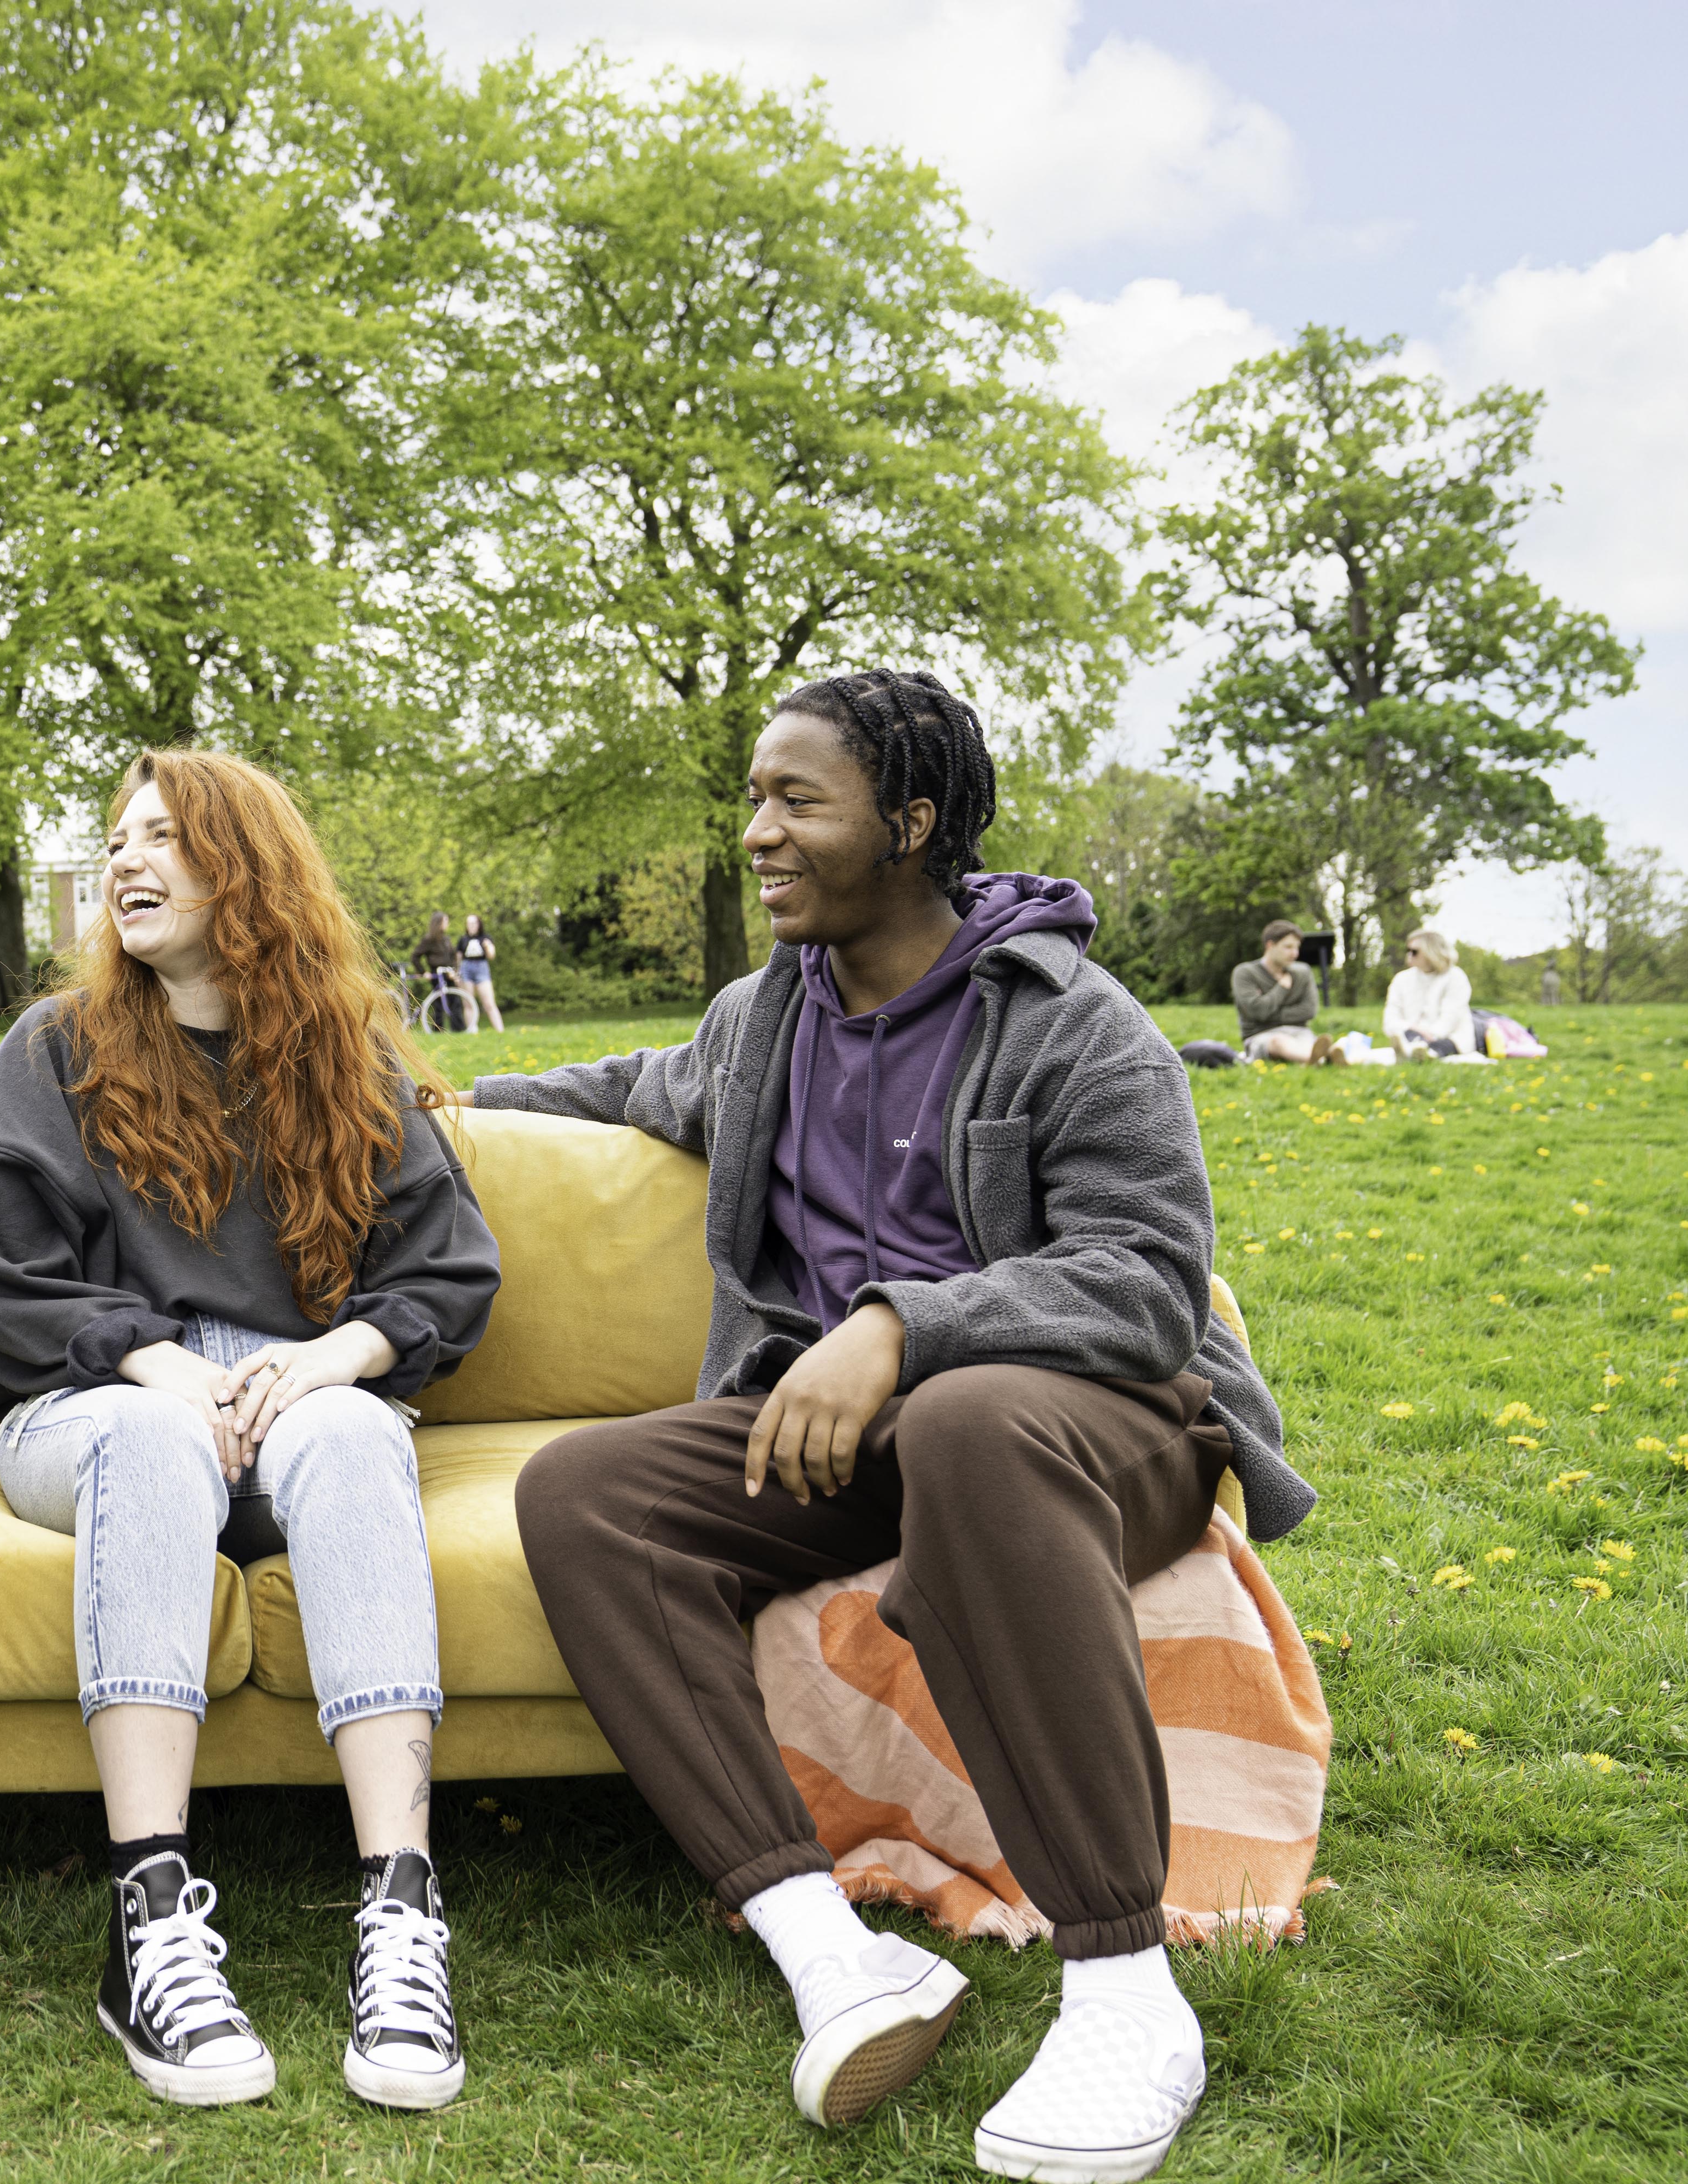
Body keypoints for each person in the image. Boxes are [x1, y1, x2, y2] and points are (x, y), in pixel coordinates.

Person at [475, 671, 1304, 2184]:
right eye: (752, 797)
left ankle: (1125, 1988)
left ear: (910, 825)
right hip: (865, 1444)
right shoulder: (762, 1015)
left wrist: (901, 1325)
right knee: (588, 1488)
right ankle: (830, 1956)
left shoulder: (1073, 1024)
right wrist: (440, 1099)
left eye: (798, 801)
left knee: (966, 1423)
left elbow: (1144, 1284)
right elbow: (630, 1088)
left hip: (1092, 1433)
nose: (756, 833)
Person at [0, 750, 501, 2114]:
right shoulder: (56, 1050)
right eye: (113, 840)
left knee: (361, 1436)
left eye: (162, 841)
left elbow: (441, 1272)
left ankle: (401, 1915)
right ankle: (149, 1920)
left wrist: (328, 1362)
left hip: (290, 1397)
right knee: (152, 1441)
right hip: (94, 1410)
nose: (124, 862)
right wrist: (153, 1364)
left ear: (240, 870)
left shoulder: (339, 1057)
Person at [1230, 921, 1336, 1064]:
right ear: (1270, 945)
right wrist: (1282, 988)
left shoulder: (1303, 973)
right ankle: (1321, 1060)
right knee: (1279, 1042)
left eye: (1297, 948)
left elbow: (1309, 1010)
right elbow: (1257, 1011)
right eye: (1288, 947)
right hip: (1261, 1035)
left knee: (1309, 1042)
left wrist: (1269, 1013)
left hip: (1300, 1032)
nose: (1295, 954)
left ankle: (1322, 1058)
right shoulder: (1245, 973)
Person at [1382, 928, 1475, 1059]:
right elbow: (1390, 1020)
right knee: (1411, 1037)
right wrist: (1412, 1028)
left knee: (1442, 1045)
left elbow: (1450, 1019)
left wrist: (1429, 1034)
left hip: (1449, 1037)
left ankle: (1419, 1053)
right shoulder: (1401, 979)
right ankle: (1414, 1052)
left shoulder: (1455, 976)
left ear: (1431, 951)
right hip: (1412, 1034)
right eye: (1407, 951)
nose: (1409, 955)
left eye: (1414, 952)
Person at [411, 912, 468, 1033]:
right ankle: (438, 1030)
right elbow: (415, 956)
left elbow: (452, 956)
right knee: (439, 1003)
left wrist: (454, 971)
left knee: (455, 1001)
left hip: (449, 974)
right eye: (446, 921)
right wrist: (423, 972)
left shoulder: (446, 939)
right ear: (439, 923)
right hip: (437, 974)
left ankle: (459, 1029)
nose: (448, 924)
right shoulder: (429, 940)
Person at [453, 913, 505, 1031]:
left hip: (482, 969)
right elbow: (458, 959)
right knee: (468, 1003)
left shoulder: (486, 938)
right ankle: (472, 1031)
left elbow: (492, 955)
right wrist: (457, 974)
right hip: (466, 970)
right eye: (469, 923)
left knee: (489, 1004)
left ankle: (500, 1031)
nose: (471, 926)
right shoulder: (463, 940)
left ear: (479, 924)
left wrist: (487, 947)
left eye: (474, 923)